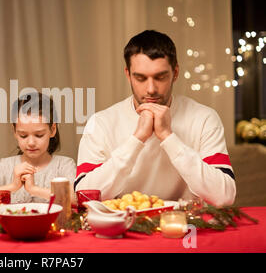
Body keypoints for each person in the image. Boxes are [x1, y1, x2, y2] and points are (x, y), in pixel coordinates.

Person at [75, 30, 236, 207]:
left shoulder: (204, 118)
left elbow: (224, 196)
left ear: (175, 73)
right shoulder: (101, 123)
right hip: (125, 229)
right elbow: (84, 197)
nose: (151, 89)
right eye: (140, 78)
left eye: (160, 77)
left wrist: (168, 137)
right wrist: (137, 139)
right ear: (128, 74)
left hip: (185, 226)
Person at [0, 92, 76, 206]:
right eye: (23, 135)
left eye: (39, 135)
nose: (31, 143)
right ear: (15, 132)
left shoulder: (64, 165)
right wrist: (12, 186)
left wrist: (34, 189)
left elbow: (74, 199)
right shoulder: (5, 166)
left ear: (52, 130)